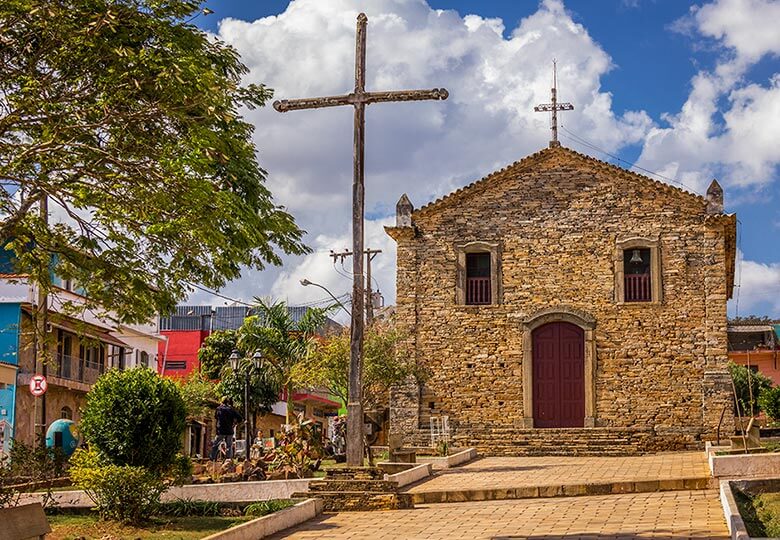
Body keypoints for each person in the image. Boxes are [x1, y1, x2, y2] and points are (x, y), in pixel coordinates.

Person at [209, 397, 243, 461]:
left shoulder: (218, 409)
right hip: (229, 431)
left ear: (221, 402)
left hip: (220, 431)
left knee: (216, 445)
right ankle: (228, 460)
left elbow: (216, 417)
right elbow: (240, 418)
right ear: (228, 402)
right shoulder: (231, 409)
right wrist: (235, 424)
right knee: (229, 446)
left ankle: (212, 459)